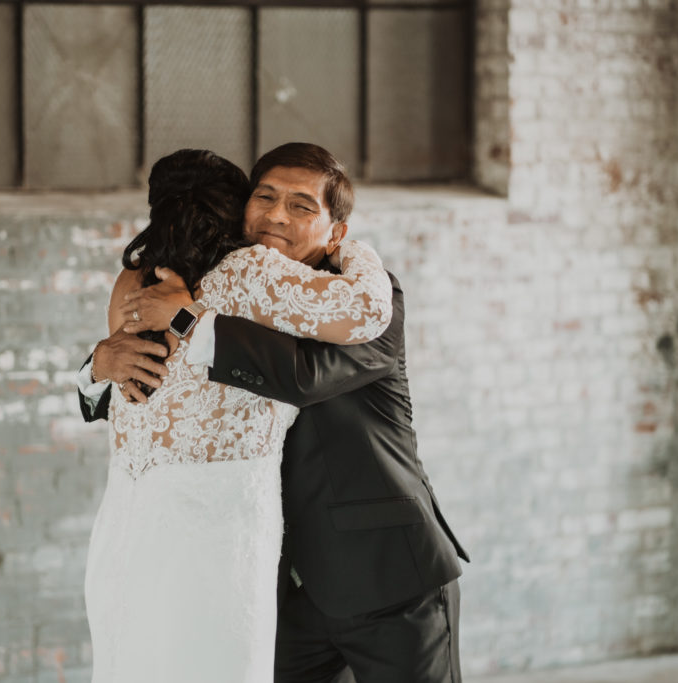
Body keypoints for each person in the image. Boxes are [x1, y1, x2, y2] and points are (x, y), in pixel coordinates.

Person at [79, 142, 470, 683]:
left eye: (302, 206)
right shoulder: (206, 284)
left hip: (387, 577)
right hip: (277, 584)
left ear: (336, 232)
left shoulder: (364, 301)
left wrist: (190, 320)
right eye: (264, 197)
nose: (276, 215)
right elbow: (148, 402)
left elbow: (300, 379)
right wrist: (98, 364)